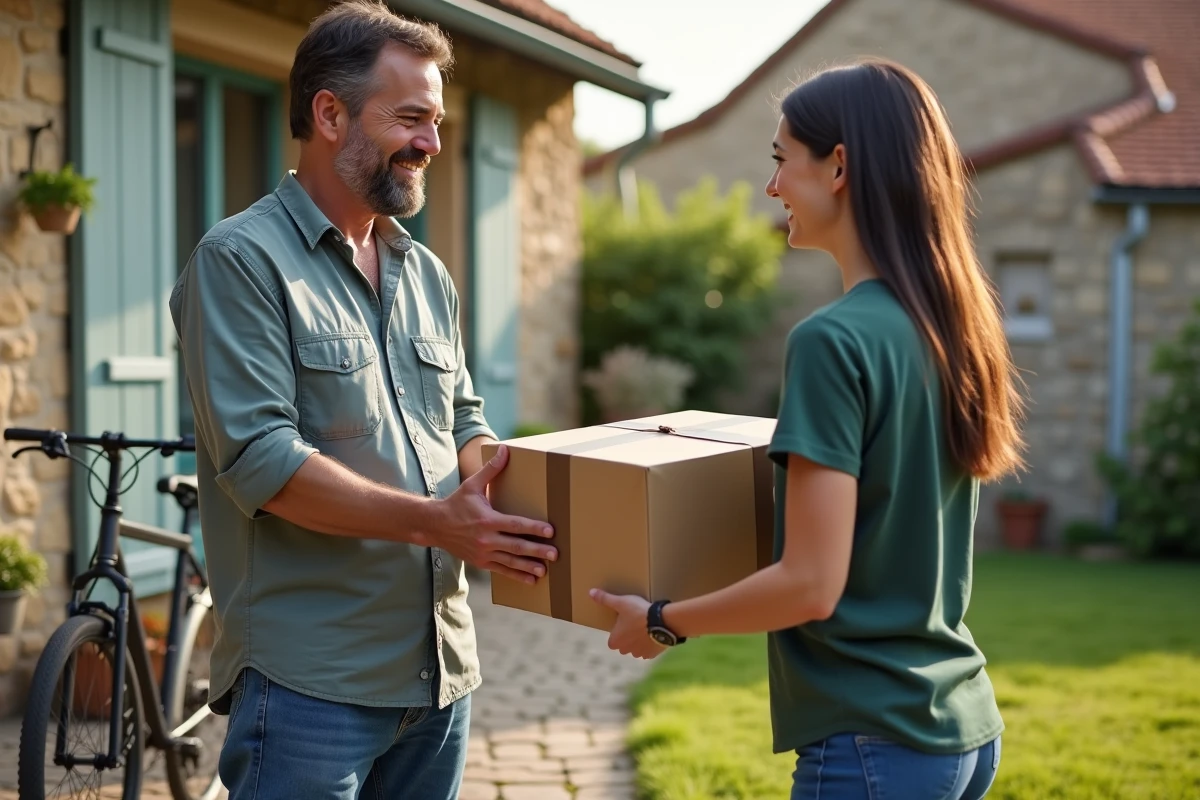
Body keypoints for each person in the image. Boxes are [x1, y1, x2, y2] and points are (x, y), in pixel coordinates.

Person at [590, 57, 1024, 800]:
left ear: (839, 167)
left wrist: (662, 620)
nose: (771, 188)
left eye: (780, 160)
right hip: (960, 725)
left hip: (872, 740)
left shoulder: (832, 340)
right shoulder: (951, 327)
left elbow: (811, 585)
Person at [169, 2, 557, 798]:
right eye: (411, 118)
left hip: (441, 676)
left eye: (439, 121)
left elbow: (462, 420)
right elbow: (261, 462)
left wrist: (505, 483)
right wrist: (437, 521)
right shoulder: (240, 261)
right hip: (311, 684)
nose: (433, 144)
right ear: (330, 112)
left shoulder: (426, 274)